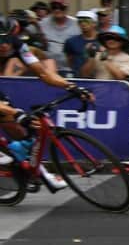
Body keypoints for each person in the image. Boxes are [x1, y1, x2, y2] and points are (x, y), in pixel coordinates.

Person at [0, 17, 94, 187]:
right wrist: (17, 113)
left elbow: (44, 74)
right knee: (13, 114)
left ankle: (38, 173)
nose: (4, 45)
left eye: (6, 39)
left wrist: (72, 86)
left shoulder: (18, 45)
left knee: (17, 129)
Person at [37, 0, 78, 74]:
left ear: (66, 9)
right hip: (48, 67)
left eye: (61, 8)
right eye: (54, 7)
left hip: (69, 68)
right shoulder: (42, 23)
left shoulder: (76, 24)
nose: (57, 10)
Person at [63, 11, 102, 78]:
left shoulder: (103, 40)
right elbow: (69, 61)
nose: (83, 24)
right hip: (78, 79)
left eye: (87, 21)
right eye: (80, 21)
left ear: (94, 23)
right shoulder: (71, 41)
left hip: (100, 79)